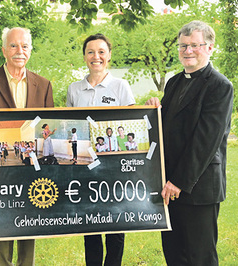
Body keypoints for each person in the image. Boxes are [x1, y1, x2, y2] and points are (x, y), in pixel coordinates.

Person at [146, 20, 233, 265]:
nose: (188, 51)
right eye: (183, 46)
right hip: (168, 186)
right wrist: (154, 110)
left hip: (198, 187)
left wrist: (179, 181)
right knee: (174, 254)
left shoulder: (220, 86)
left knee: (199, 256)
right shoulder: (174, 82)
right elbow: (166, 129)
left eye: (195, 45)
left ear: (210, 48)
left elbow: (205, 141)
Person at [0, 26, 54, 266]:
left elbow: (45, 128)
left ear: (31, 49)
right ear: (3, 50)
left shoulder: (44, 84)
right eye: (13, 45)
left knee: (30, 218)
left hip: (33, 167)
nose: (20, 50)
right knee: (3, 220)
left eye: (25, 46)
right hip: (0, 174)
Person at [66, 33, 135, 266]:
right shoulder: (74, 89)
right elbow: (71, 125)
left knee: (116, 226)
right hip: (85, 168)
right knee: (91, 225)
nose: (96, 57)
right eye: (91, 52)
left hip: (114, 169)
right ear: (85, 56)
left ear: (109, 55)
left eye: (101, 52)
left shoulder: (120, 86)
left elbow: (130, 121)